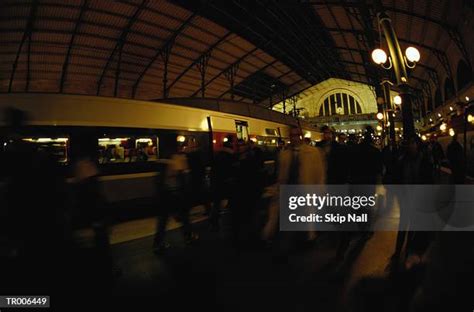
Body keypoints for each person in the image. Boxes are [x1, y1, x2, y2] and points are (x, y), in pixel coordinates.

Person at [262, 126, 325, 241]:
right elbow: (281, 176)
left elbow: (319, 175)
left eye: (297, 135)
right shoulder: (283, 154)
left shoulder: (314, 152)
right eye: (292, 135)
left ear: (301, 136)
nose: (295, 138)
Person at [153, 142, 198, 254]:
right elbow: (183, 177)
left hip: (164, 194)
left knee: (163, 220)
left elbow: (158, 179)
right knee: (185, 217)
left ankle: (158, 243)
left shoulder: (161, 160)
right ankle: (189, 237)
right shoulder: (178, 159)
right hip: (176, 194)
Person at [209, 135, 237, 231]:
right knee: (230, 200)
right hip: (226, 182)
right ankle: (228, 221)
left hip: (217, 182)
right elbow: (232, 170)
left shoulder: (218, 154)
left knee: (217, 203)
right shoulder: (231, 155)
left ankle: (213, 221)